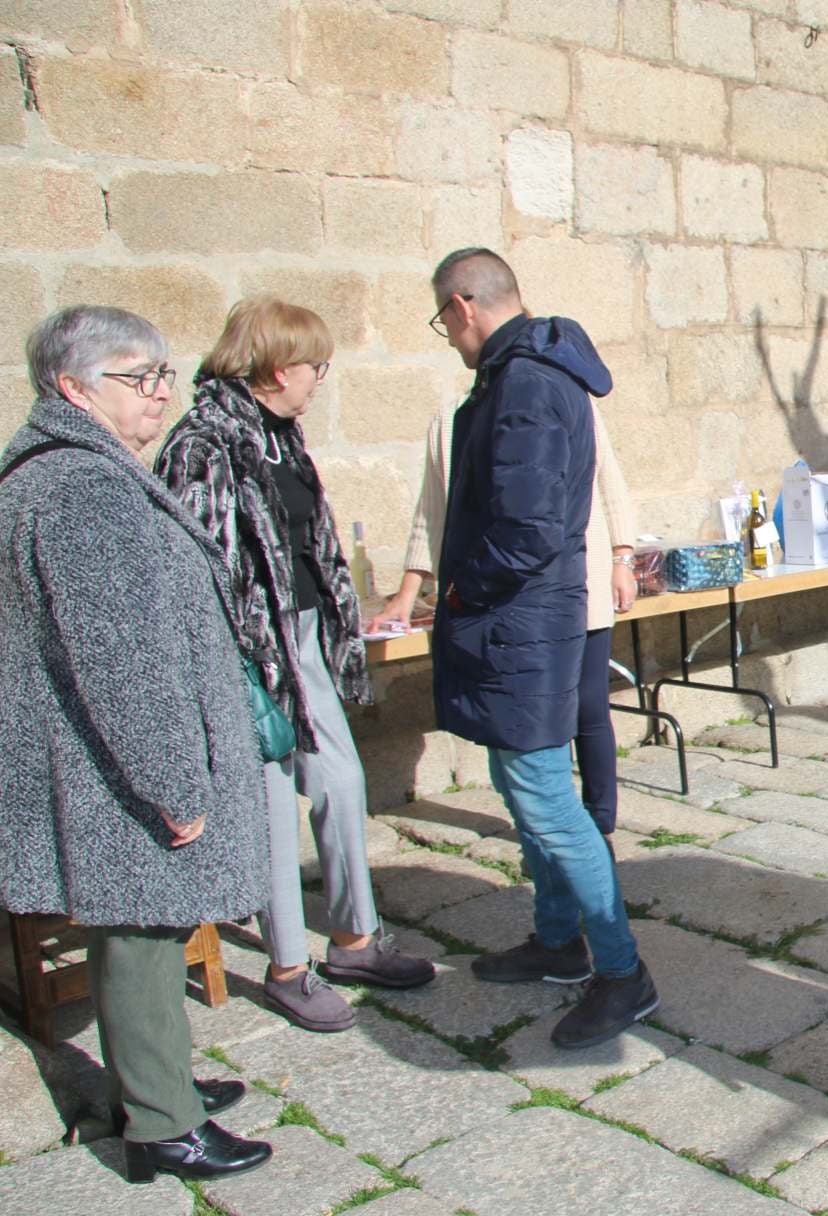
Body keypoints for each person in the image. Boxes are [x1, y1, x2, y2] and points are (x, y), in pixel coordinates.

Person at [0, 307, 272, 1182]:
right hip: (111, 769)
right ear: (72, 387)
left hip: (96, 763)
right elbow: (121, 659)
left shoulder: (73, 471)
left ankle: (156, 1084)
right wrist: (174, 783)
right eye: (137, 375)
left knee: (144, 927)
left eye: (164, 373)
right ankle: (161, 1124)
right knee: (144, 933)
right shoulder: (78, 485)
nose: (160, 392)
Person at [157, 297, 434, 1034]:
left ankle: (354, 940)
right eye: (317, 367)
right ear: (279, 369)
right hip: (248, 654)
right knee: (273, 808)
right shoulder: (202, 444)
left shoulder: (282, 432)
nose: (321, 379)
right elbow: (195, 568)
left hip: (305, 638)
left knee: (341, 782)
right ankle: (286, 968)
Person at [426, 248, 658, 1048]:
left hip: (520, 620)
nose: (447, 336)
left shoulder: (524, 382)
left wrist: (462, 591)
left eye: (442, 321)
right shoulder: (524, 373)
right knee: (523, 784)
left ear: (463, 306)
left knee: (548, 804)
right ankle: (559, 941)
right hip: (524, 622)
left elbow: (525, 530)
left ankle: (624, 975)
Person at [371, 383, 641, 838]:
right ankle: (545, 819)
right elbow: (431, 510)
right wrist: (405, 594)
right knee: (529, 715)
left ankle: (600, 819)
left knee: (589, 704)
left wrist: (623, 559)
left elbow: (608, 481)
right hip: (509, 600)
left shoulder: (571, 402)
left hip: (583, 578)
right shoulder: (451, 418)